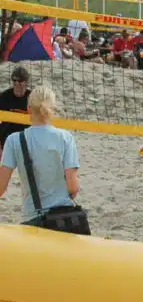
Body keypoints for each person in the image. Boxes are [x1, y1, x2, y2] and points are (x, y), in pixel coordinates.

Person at [0, 86, 85, 230]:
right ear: (52, 110)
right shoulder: (65, 137)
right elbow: (73, 187)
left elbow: (1, 188)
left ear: (28, 109)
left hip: (32, 219)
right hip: (63, 218)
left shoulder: (14, 140)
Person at [0, 65, 31, 151]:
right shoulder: (4, 97)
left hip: (27, 138)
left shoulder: (32, 97)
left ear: (26, 82)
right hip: (7, 138)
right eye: (14, 80)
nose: (17, 83)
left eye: (20, 81)